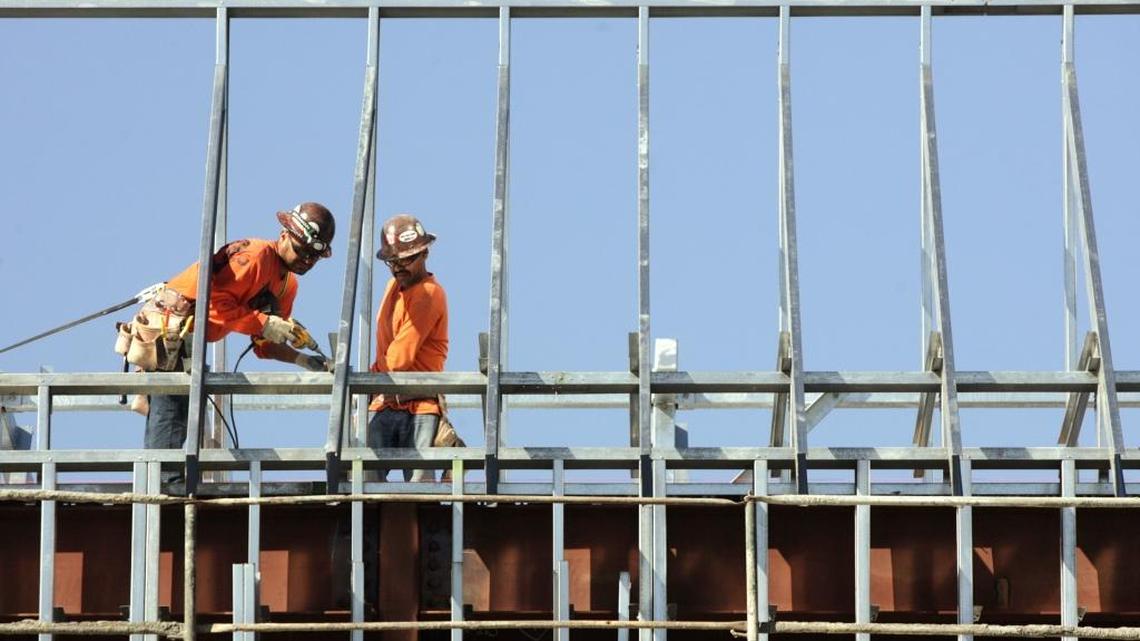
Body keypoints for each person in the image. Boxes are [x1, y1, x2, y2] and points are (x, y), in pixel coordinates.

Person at [124, 202, 337, 455]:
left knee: (182, 413)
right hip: (172, 329)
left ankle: (167, 477)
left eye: (313, 257)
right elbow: (211, 301)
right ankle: (165, 482)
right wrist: (264, 322)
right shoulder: (256, 256)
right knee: (173, 410)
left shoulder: (286, 286)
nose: (306, 260)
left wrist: (302, 359)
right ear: (283, 236)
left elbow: (264, 343)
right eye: (301, 251)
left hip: (189, 341)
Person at [368, 214, 448, 481]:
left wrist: (373, 379)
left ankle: (427, 524)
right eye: (392, 261)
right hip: (386, 403)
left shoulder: (428, 293)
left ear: (424, 253)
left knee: (420, 494)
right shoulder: (393, 287)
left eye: (406, 259)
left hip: (420, 407)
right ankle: (359, 524)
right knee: (360, 485)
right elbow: (384, 352)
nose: (398, 267)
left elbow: (399, 360)